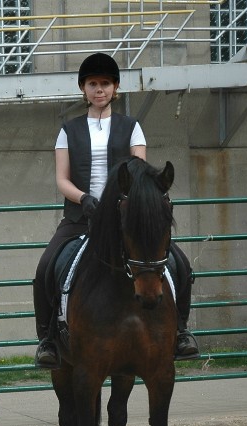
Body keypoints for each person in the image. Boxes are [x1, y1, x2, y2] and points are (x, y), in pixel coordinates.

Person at [33, 52, 199, 370]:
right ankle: (48, 339)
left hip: (125, 220)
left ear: (115, 88)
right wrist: (85, 199)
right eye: (93, 84)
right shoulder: (68, 130)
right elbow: (61, 179)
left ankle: (180, 331)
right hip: (81, 218)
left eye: (105, 84)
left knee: (179, 263)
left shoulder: (132, 128)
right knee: (44, 268)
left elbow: (140, 170)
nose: (99, 90)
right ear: (83, 89)